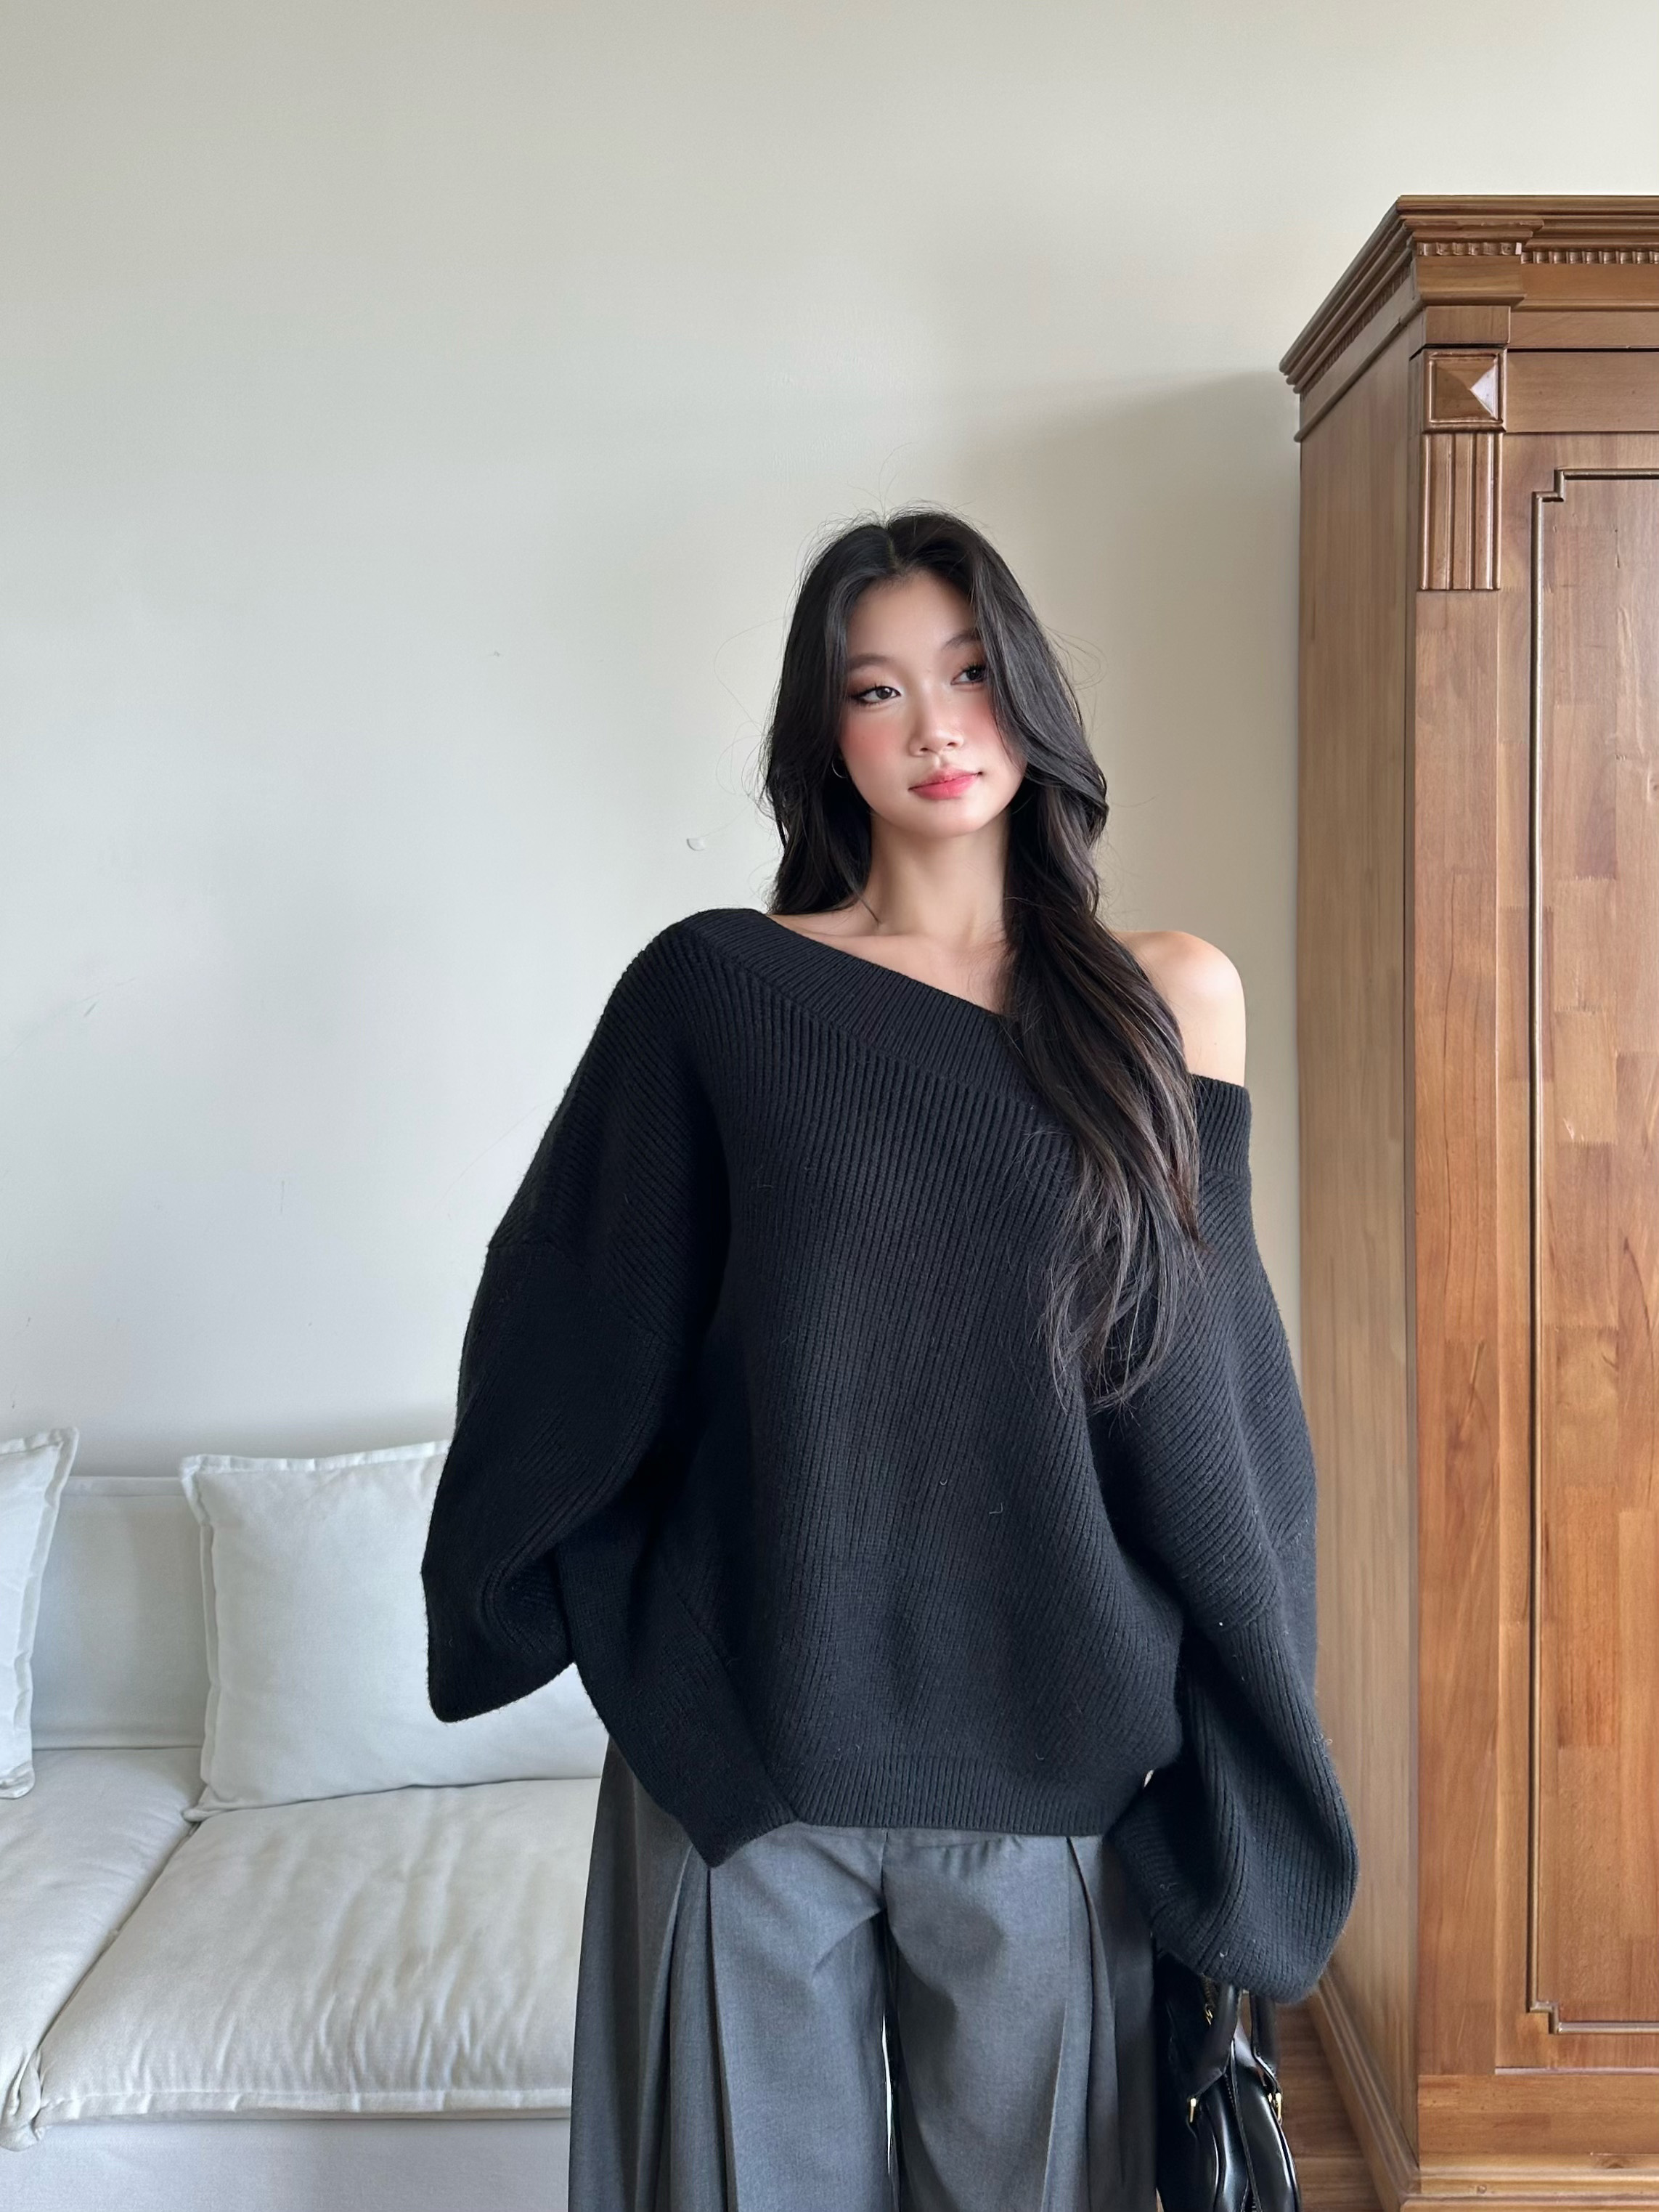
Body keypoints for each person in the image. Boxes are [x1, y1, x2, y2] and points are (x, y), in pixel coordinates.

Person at [420, 508, 1359, 2211]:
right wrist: (622, 1630)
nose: (936, 724)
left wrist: (1247, 1768)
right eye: (878, 688)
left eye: (972, 672)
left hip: (1055, 1755)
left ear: (1033, 694)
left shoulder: (1165, 1001)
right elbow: (566, 1314)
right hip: (752, 1755)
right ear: (827, 735)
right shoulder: (717, 993)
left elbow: (1216, 1412)